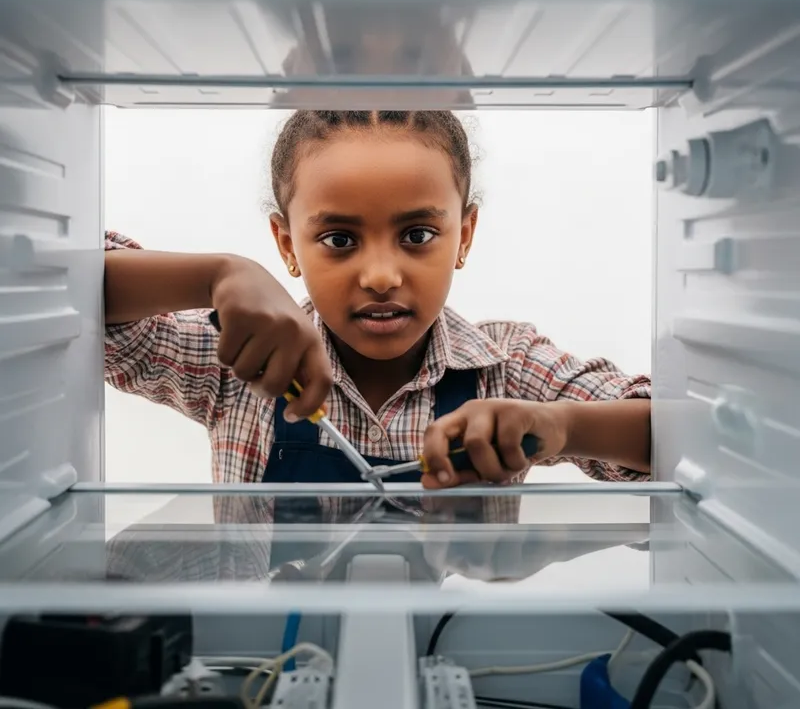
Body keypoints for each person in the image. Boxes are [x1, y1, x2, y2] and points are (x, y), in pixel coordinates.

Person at [104, 110, 651, 490]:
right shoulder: (237, 358)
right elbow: (61, 289)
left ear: (464, 235)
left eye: (416, 235)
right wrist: (216, 275)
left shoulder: (507, 365)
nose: (383, 276)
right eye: (339, 240)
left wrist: (563, 426)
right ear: (286, 245)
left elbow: (673, 433)